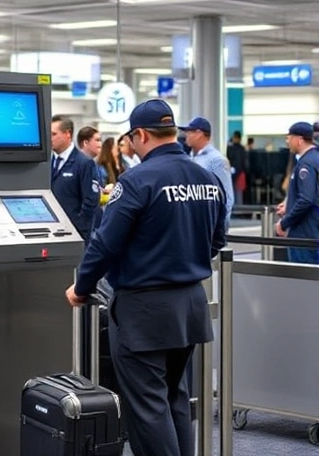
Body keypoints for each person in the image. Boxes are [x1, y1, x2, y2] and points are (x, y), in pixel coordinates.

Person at [66, 99, 225, 456]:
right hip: (189, 306)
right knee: (175, 398)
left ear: (139, 135)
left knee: (147, 407)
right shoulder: (207, 177)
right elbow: (217, 239)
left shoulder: (136, 180)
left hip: (145, 311)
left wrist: (82, 287)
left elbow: (105, 244)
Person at [49, 115, 100, 241]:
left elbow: (91, 200)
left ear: (67, 134)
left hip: (76, 233)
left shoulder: (84, 163)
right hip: (52, 232)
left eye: (54, 134)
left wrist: (79, 226)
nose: (50, 139)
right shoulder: (48, 163)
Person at [179, 117, 234, 231]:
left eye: (189, 132)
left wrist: (220, 229)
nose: (186, 135)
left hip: (208, 226)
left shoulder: (216, 160)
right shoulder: (191, 157)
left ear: (199, 133)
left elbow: (226, 196)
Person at [275, 122, 319, 264]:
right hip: (313, 231)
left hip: (305, 234)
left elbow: (306, 199)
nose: (287, 141)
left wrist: (284, 223)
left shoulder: (306, 164)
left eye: (289, 137)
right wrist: (289, 203)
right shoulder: (315, 159)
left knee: (304, 282)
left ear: (299, 140)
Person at [227, 131, 249, 205]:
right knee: (238, 193)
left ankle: (236, 209)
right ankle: (239, 209)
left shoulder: (230, 148)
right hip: (240, 172)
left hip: (234, 172)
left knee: (235, 192)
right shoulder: (242, 149)